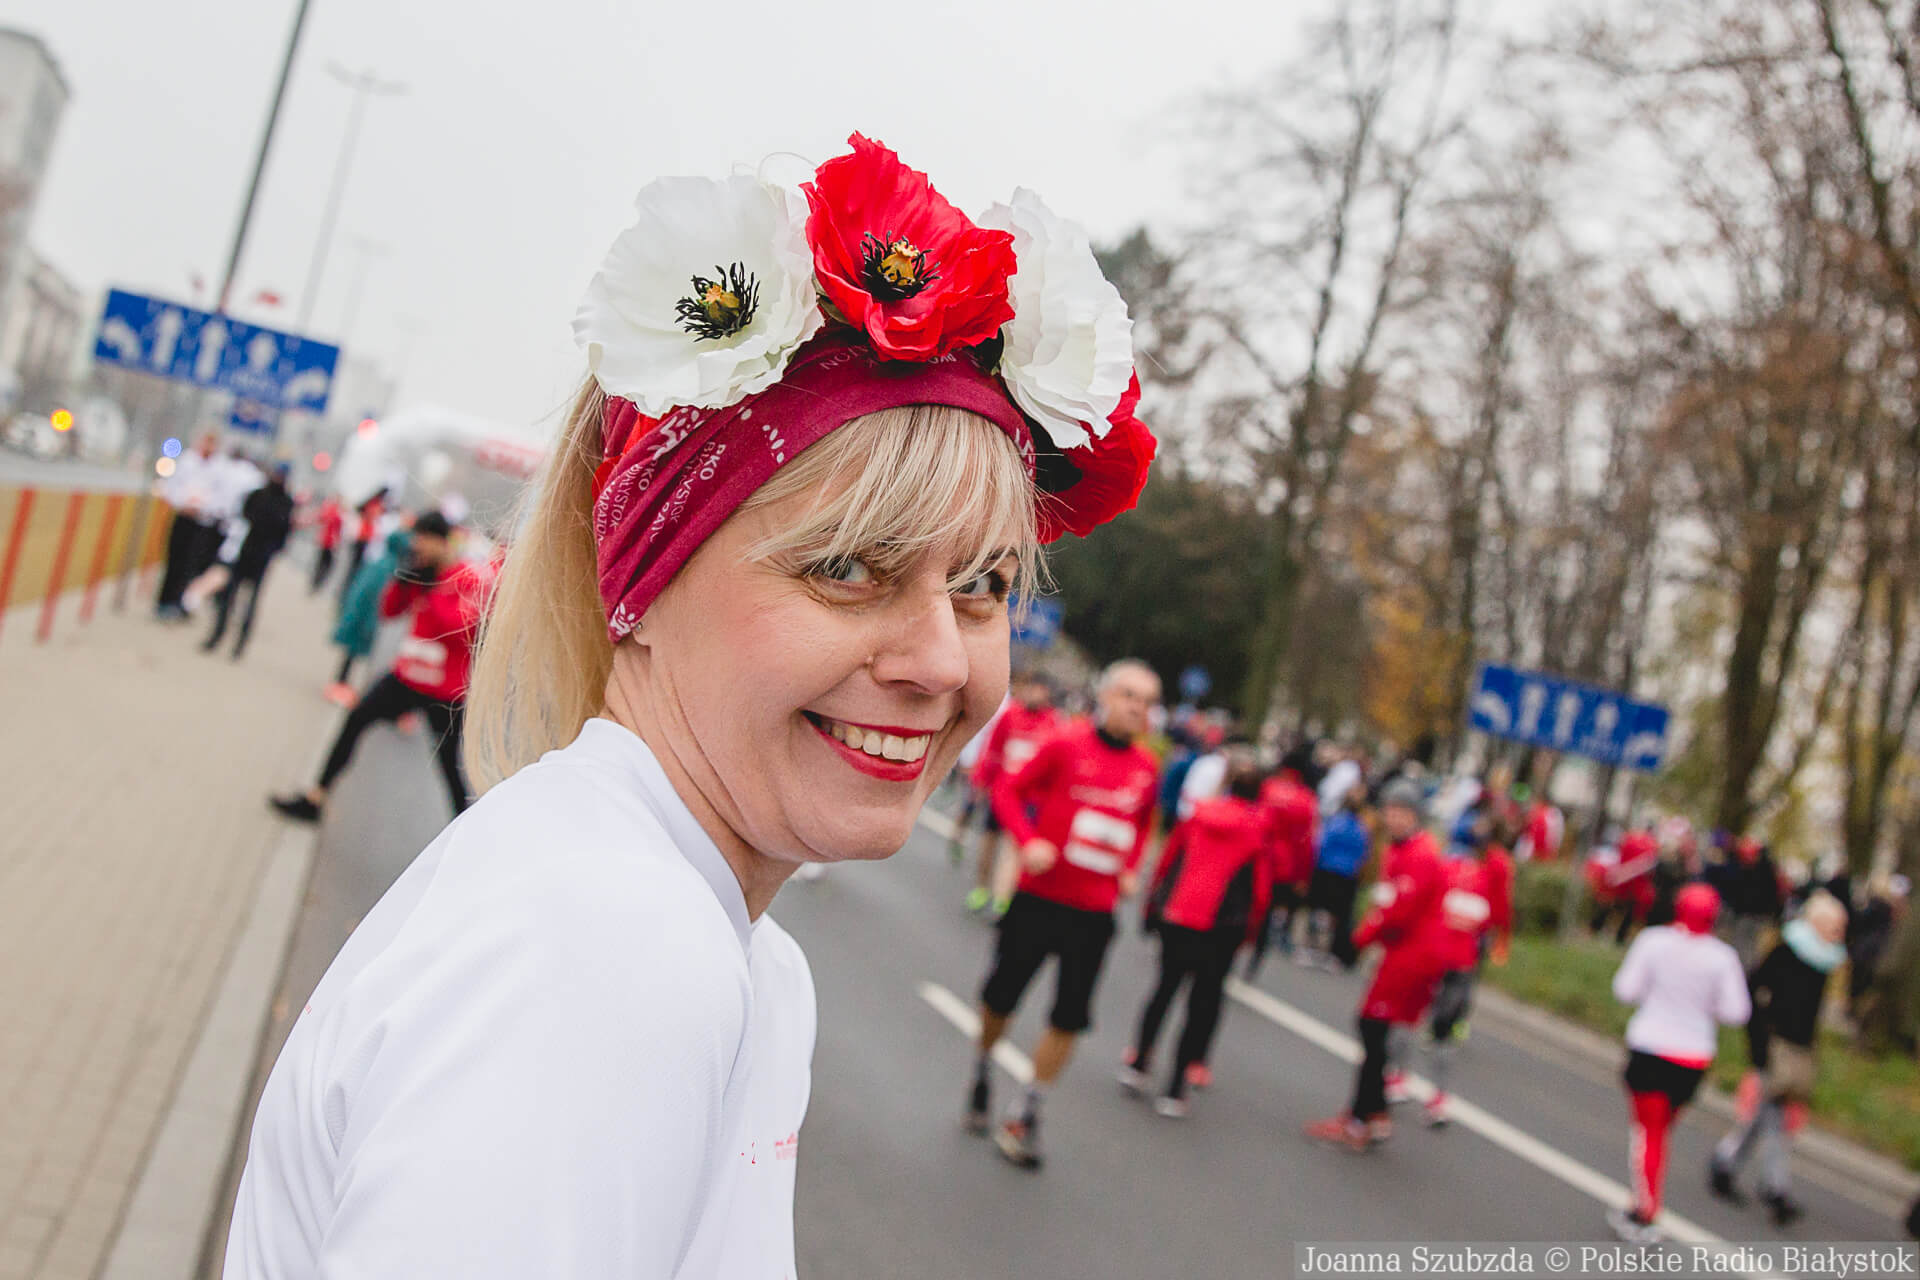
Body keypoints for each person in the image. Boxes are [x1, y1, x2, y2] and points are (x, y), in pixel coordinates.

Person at [223, 137, 1153, 1277]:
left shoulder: (712, 942)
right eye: (845, 567)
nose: (941, 661)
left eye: (984, 586)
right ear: (645, 579)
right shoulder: (610, 950)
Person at [968, 658, 1162, 1170]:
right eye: (1129, 695)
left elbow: (1144, 823)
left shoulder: (1146, 767)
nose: (1137, 708)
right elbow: (1007, 789)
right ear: (1106, 696)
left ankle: (1027, 1109)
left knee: (1069, 1017)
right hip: (1039, 899)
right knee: (1000, 999)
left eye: (1147, 701)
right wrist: (1027, 841)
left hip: (1093, 914)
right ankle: (983, 1065)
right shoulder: (1065, 743)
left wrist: (1130, 869)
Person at [270, 513, 490, 820]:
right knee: (356, 720)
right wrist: (402, 582)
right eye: (416, 539)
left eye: (424, 539)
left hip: (444, 691)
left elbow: (461, 628)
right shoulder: (422, 573)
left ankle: (467, 830)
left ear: (442, 542)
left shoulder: (466, 579)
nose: (418, 546)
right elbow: (389, 612)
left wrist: (433, 589)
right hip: (407, 678)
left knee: (449, 766)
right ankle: (315, 797)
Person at [1122, 752, 1270, 1117]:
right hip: (1222, 926)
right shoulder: (1257, 829)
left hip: (1179, 914)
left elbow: (1168, 861)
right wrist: (1250, 932)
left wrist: (1151, 907)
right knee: (1202, 1005)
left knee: (1163, 990)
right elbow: (1261, 889)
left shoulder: (1197, 815)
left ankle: (1139, 1063)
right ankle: (1176, 1086)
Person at [1304, 780, 1449, 1152]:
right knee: (1374, 1030)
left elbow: (1397, 912)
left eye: (1401, 811)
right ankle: (1376, 1112)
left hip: (1411, 958)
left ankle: (1359, 1120)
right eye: (1389, 810)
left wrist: (1357, 941)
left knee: (1373, 1028)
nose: (1392, 818)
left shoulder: (1420, 855)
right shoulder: (1400, 850)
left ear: (1415, 815)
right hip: (1401, 953)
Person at [1605, 883, 1750, 1243]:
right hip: (1692, 1057)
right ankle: (1642, 1200)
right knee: (1660, 1132)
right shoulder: (1722, 958)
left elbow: (1625, 989)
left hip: (1651, 1047)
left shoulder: (1653, 942)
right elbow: (1736, 1011)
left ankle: (1645, 1211)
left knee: (1647, 1133)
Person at [1708, 892, 1848, 1228]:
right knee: (1774, 1119)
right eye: (1834, 926)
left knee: (1766, 1115)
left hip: (1798, 1051)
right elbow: (1754, 989)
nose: (1839, 934)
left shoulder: (1825, 962)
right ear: (1817, 923)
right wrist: (1759, 1043)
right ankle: (1775, 1187)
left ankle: (1725, 1163)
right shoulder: (1787, 952)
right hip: (1774, 1048)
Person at [1422, 811, 1513, 1126]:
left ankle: (1453, 1020)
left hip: (1475, 935)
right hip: (1450, 932)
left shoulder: (1497, 862)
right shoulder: (1460, 856)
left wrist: (1498, 931)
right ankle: (1439, 1017)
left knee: (1462, 984)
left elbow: (1499, 901)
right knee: (1441, 980)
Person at [964, 671, 1060, 914]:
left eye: (1040, 690)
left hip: (1029, 798)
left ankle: (1002, 898)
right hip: (1000, 791)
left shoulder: (1053, 723)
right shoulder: (1010, 715)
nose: (1034, 694)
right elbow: (993, 750)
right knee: (988, 844)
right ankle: (982, 888)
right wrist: (980, 782)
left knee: (1013, 847)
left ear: (1047, 694)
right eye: (1031, 689)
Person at [203, 462, 296, 659]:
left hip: (262, 558)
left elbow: (284, 531)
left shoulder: (285, 502)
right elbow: (244, 515)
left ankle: (239, 645)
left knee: (250, 603)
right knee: (228, 598)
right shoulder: (258, 495)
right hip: (245, 552)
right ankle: (217, 635)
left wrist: (271, 548)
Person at [1247, 761, 1317, 975]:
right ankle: (1256, 958)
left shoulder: (1267, 787)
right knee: (1268, 912)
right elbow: (1305, 842)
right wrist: (1303, 875)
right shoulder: (1306, 800)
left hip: (1254, 853)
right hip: (1283, 865)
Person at [154, 432, 224, 619]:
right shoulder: (187, 461)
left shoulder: (219, 467)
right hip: (183, 517)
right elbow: (172, 486)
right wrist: (184, 503)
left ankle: (179, 602)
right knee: (174, 560)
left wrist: (203, 506)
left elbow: (219, 496)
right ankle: (164, 601)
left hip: (202, 522)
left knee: (190, 564)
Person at [1301, 783, 1370, 970]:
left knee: (1318, 910)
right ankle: (1328, 951)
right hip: (1347, 876)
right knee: (1337, 917)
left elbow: (1321, 845)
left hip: (1327, 872)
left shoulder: (1335, 823)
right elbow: (1363, 854)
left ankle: (1311, 947)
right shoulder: (1361, 829)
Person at [310, 494, 345, 594]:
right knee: (325, 565)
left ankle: (315, 582)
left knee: (321, 563)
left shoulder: (330, 510)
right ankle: (317, 582)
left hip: (325, 541)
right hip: (329, 543)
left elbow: (320, 519)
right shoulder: (337, 514)